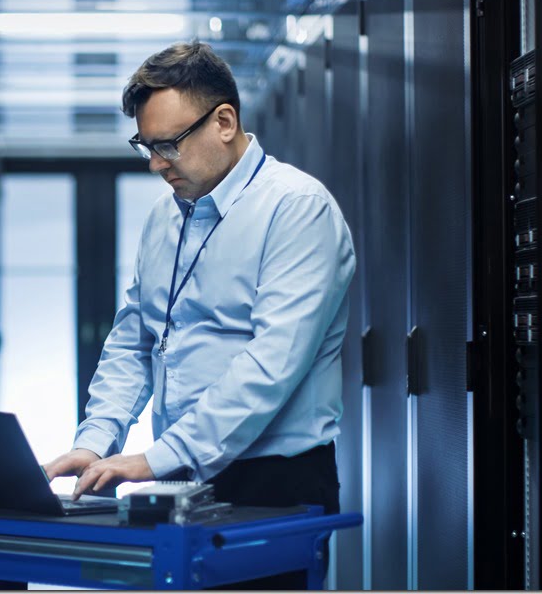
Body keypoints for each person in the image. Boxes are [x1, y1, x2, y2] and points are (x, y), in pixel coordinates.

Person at [43, 41, 356, 589]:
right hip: (184, 477)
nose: (157, 165)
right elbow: (135, 341)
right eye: (146, 146)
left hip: (273, 484)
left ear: (225, 121)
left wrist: (157, 457)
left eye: (169, 146)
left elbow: (270, 367)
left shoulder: (298, 210)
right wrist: (96, 440)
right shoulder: (165, 219)